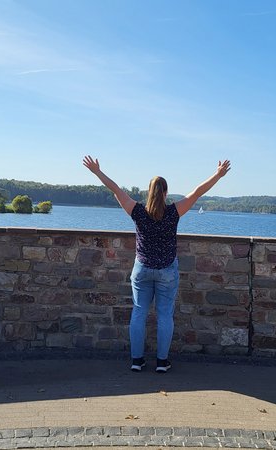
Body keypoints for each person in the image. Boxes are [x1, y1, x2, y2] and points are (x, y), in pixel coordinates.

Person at [83, 155, 231, 373]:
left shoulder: (138, 211)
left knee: (139, 312)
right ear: (165, 193)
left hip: (142, 269)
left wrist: (97, 171)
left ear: (148, 192)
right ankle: (162, 362)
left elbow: (116, 189)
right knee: (164, 315)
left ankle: (137, 360)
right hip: (167, 271)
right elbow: (198, 192)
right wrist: (218, 175)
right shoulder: (174, 212)